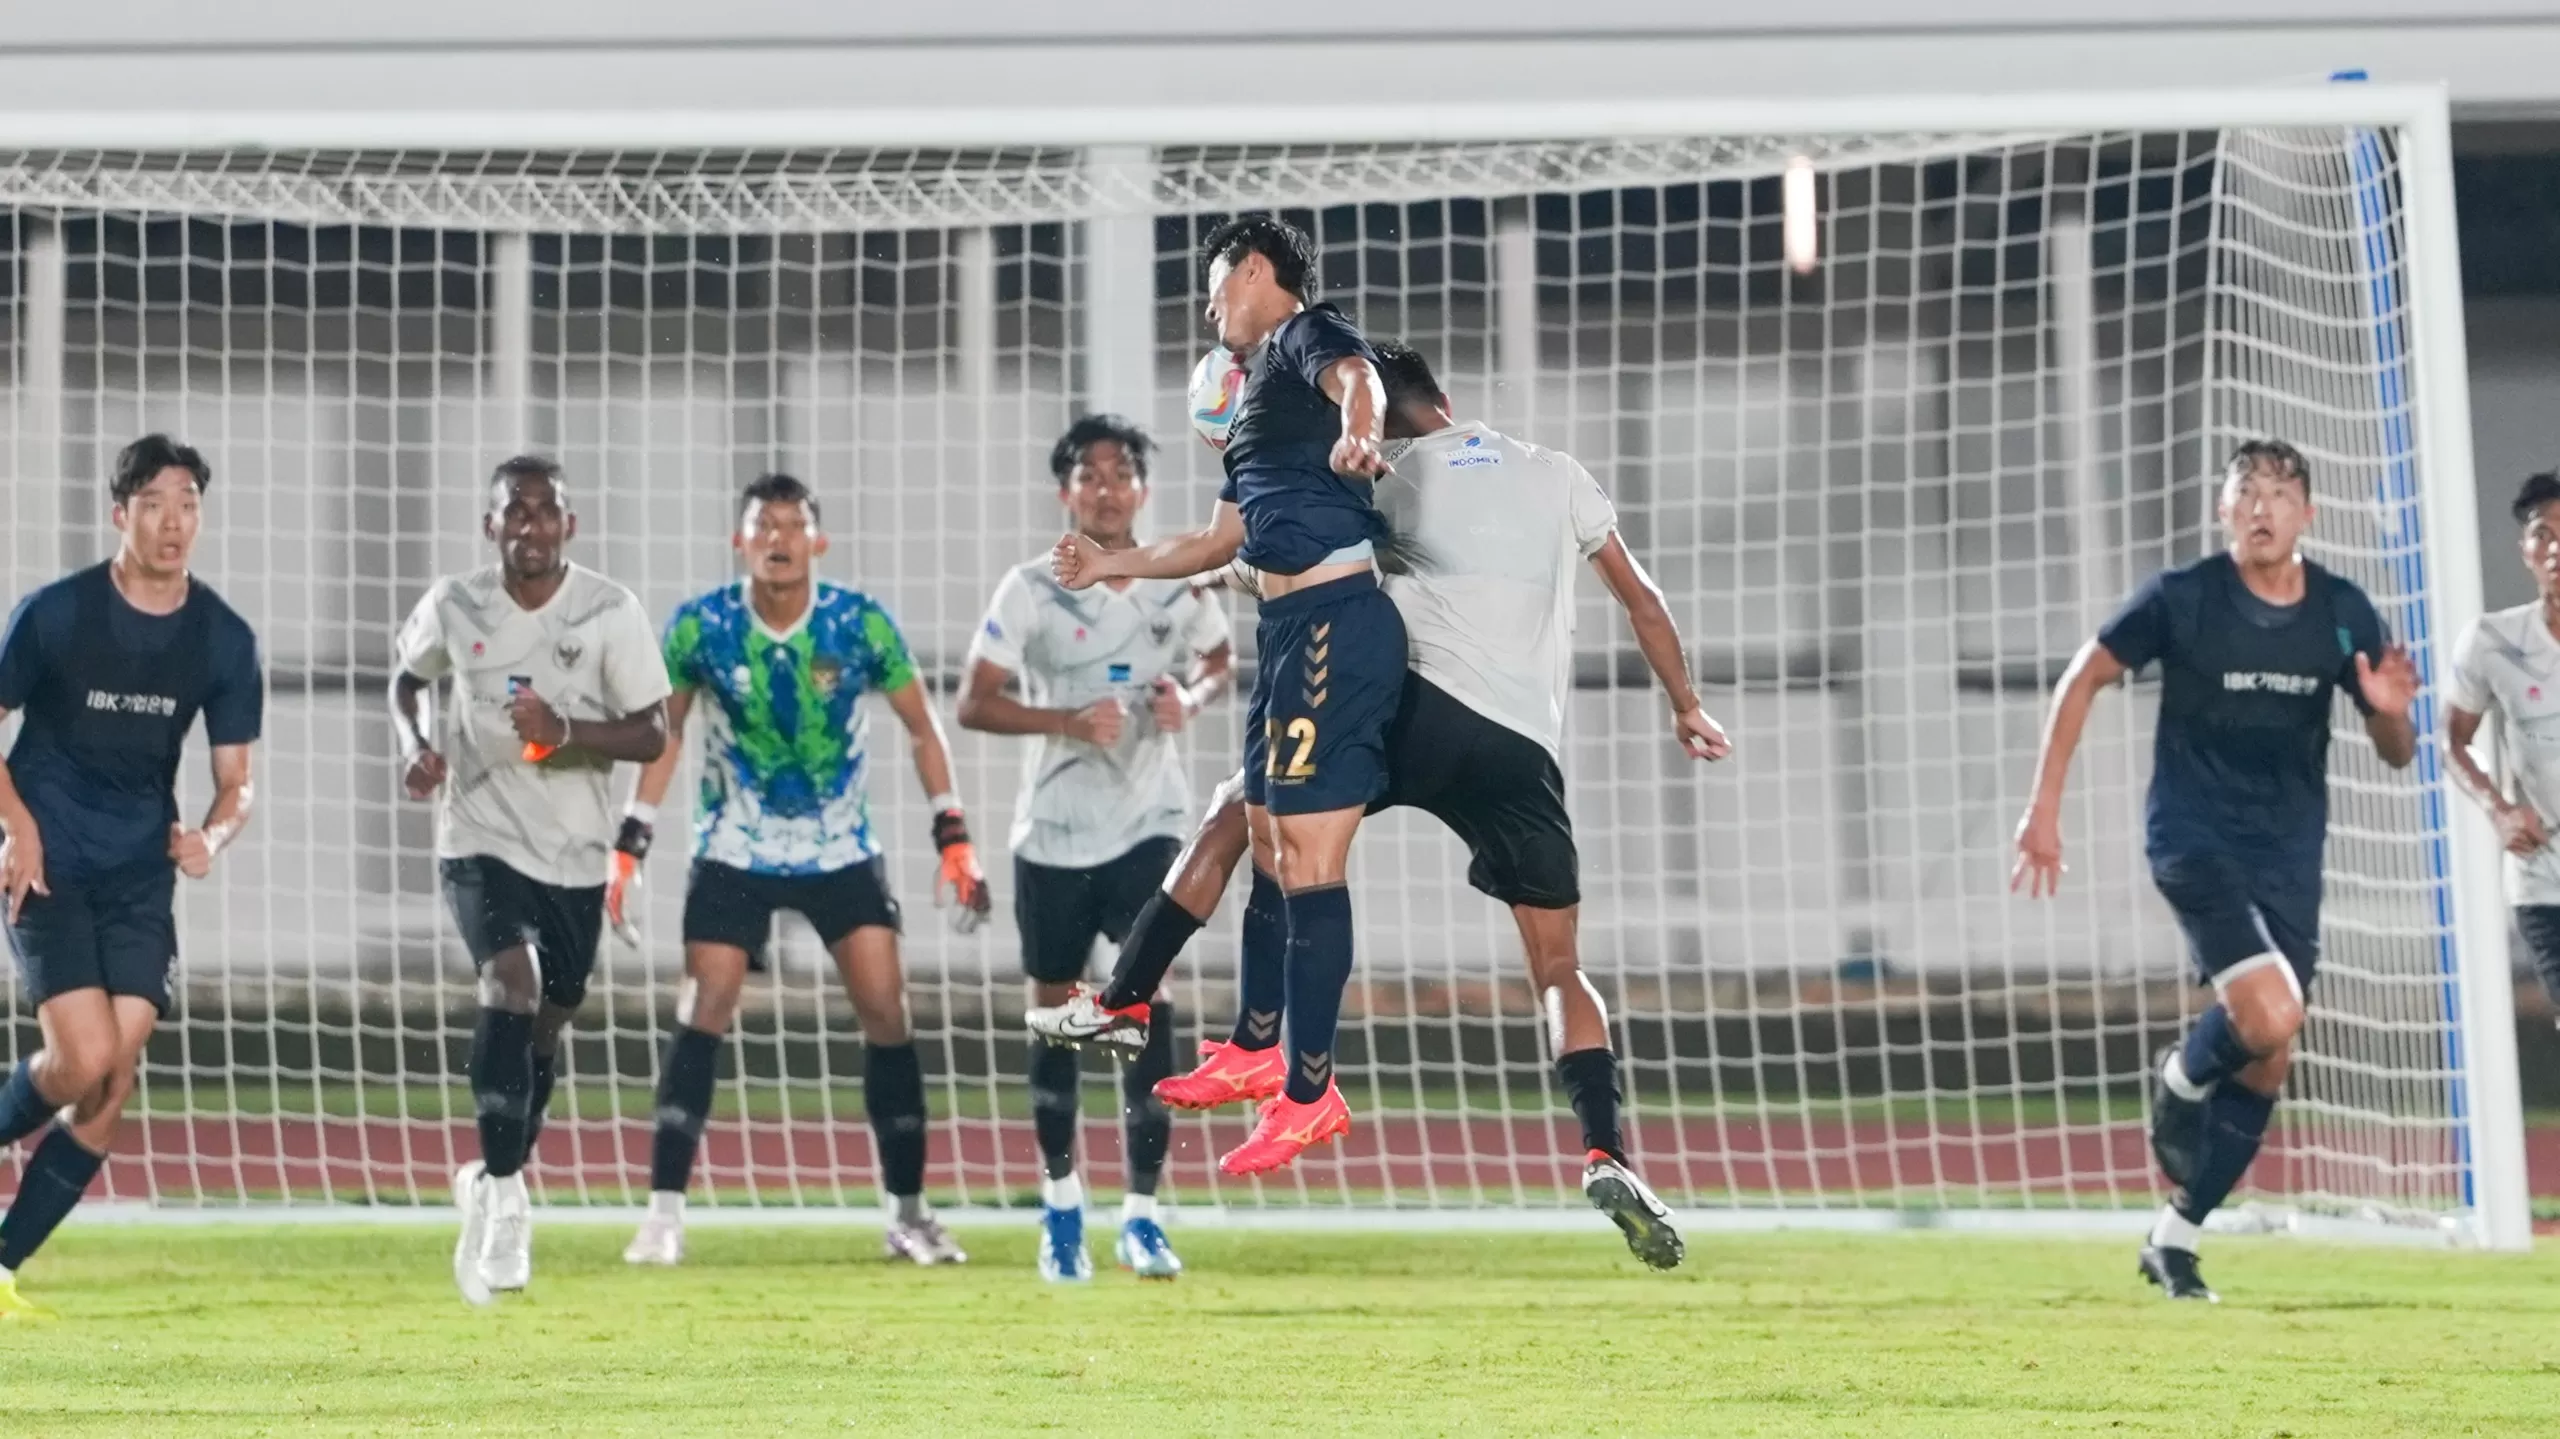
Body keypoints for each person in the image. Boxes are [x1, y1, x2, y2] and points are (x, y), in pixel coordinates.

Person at [1032, 343, 1729, 1268]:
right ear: (1443, 395)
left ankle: (1160, 1006)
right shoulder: (1558, 473)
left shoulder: (1381, 483)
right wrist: (1685, 703)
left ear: (1377, 419)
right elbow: (1643, 601)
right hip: (1524, 751)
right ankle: (1607, 1149)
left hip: (1419, 713)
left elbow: (1267, 559)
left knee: (1251, 804)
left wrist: (1183, 551)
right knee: (1560, 968)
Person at [2010, 439, 2417, 1303]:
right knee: (2273, 1013)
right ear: (2222, 510)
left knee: (2271, 1052)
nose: (2262, 507)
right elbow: (2084, 677)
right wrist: (2043, 808)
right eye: (2247, 493)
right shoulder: (2182, 597)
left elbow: (2396, 749)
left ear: (2309, 512)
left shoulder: (2344, 612)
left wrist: (2386, 715)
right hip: (2193, 839)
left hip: (2289, 852)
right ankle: (2182, 1076)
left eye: (2280, 493)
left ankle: (2175, 1238)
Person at [1051, 214, 1399, 1176]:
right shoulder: (1254, 410)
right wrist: (1112, 563)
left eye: (1215, 285)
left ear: (1256, 270)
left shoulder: (1307, 336)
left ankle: (1310, 1088)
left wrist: (1362, 435)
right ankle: (1254, 1046)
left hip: (1336, 620)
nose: (1207, 307)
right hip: (1285, 631)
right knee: (1261, 829)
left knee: (1307, 856)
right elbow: (1213, 545)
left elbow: (1359, 380)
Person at [616, 473, 990, 1270]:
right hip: (735, 849)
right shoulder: (700, 626)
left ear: (817, 541)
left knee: (887, 1010)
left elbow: (925, 729)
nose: (779, 539)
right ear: (740, 540)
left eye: (794, 525)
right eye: (764, 525)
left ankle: (910, 1214)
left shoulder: (858, 623)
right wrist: (629, 844)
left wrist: (953, 835)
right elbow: (664, 735)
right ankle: (662, 1215)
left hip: (839, 849)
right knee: (703, 1003)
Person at [391, 456, 672, 1305]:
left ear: (570, 526)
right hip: (476, 837)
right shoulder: (455, 601)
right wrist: (415, 747)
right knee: (511, 982)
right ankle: (508, 1202)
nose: (532, 525)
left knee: (547, 1025)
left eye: (547, 512)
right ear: (492, 525)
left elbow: (653, 734)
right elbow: (408, 680)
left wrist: (563, 730)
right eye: (516, 511)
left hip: (576, 853)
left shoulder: (610, 611)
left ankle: (491, 1175)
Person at [957, 416, 1231, 1281]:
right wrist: (1066, 720)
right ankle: (1062, 1204)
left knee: (1145, 1004)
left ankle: (1143, 1214)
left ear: (1143, 490)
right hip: (1054, 833)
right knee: (1056, 1018)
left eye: (1121, 474)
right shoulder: (1031, 587)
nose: (1106, 488)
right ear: (1065, 492)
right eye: (1089, 475)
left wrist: (1192, 693)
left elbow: (1221, 657)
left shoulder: (1176, 578)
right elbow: (974, 700)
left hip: (1149, 823)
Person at [0, 435, 261, 1320]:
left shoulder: (223, 637)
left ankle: (1, 1264)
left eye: (187, 500)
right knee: (84, 1060)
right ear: (121, 513)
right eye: (153, 501)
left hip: (142, 875)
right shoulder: (56, 615)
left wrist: (213, 838)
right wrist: (19, 826)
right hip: (50, 865)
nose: (173, 519)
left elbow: (238, 779)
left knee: (115, 1079)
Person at [2445, 470, 2560, 1021]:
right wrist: (2499, 809)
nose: (2556, 546)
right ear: (2526, 551)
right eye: (2543, 533)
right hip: (2546, 880)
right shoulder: (2492, 641)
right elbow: (2453, 741)